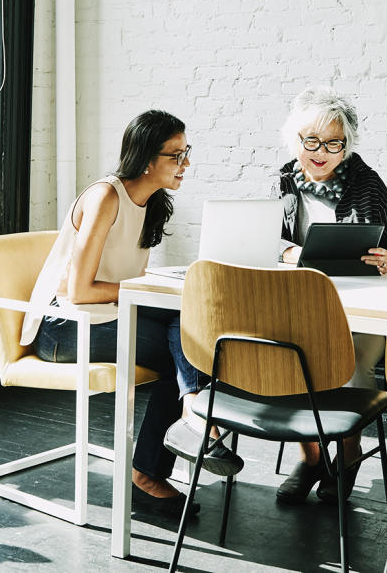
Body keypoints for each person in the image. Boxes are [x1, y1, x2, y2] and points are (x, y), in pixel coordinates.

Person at [20, 110, 240, 520]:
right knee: (188, 346)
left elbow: (122, 281)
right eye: (176, 155)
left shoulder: (153, 203)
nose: (186, 163)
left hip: (106, 317)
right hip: (65, 327)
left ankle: (186, 414)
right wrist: (146, 289)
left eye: (186, 152)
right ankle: (172, 443)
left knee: (191, 324)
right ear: (146, 159)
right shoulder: (106, 196)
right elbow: (81, 291)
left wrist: (163, 288)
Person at [271, 88, 387, 505]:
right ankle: (313, 457)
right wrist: (288, 251)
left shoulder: (367, 183)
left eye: (334, 144)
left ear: (346, 146)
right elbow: (266, 238)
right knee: (290, 360)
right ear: (294, 139)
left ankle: (348, 459)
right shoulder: (284, 181)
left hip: (365, 312)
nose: (321, 153)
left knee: (349, 366)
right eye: (310, 141)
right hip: (307, 305)